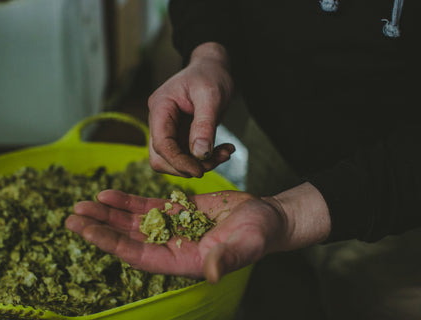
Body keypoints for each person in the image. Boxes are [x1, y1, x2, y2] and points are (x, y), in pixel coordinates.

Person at [66, 0, 421, 285]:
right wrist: (207, 53)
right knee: (271, 284)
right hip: (276, 141)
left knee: (369, 297)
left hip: (402, 201)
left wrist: (289, 216)